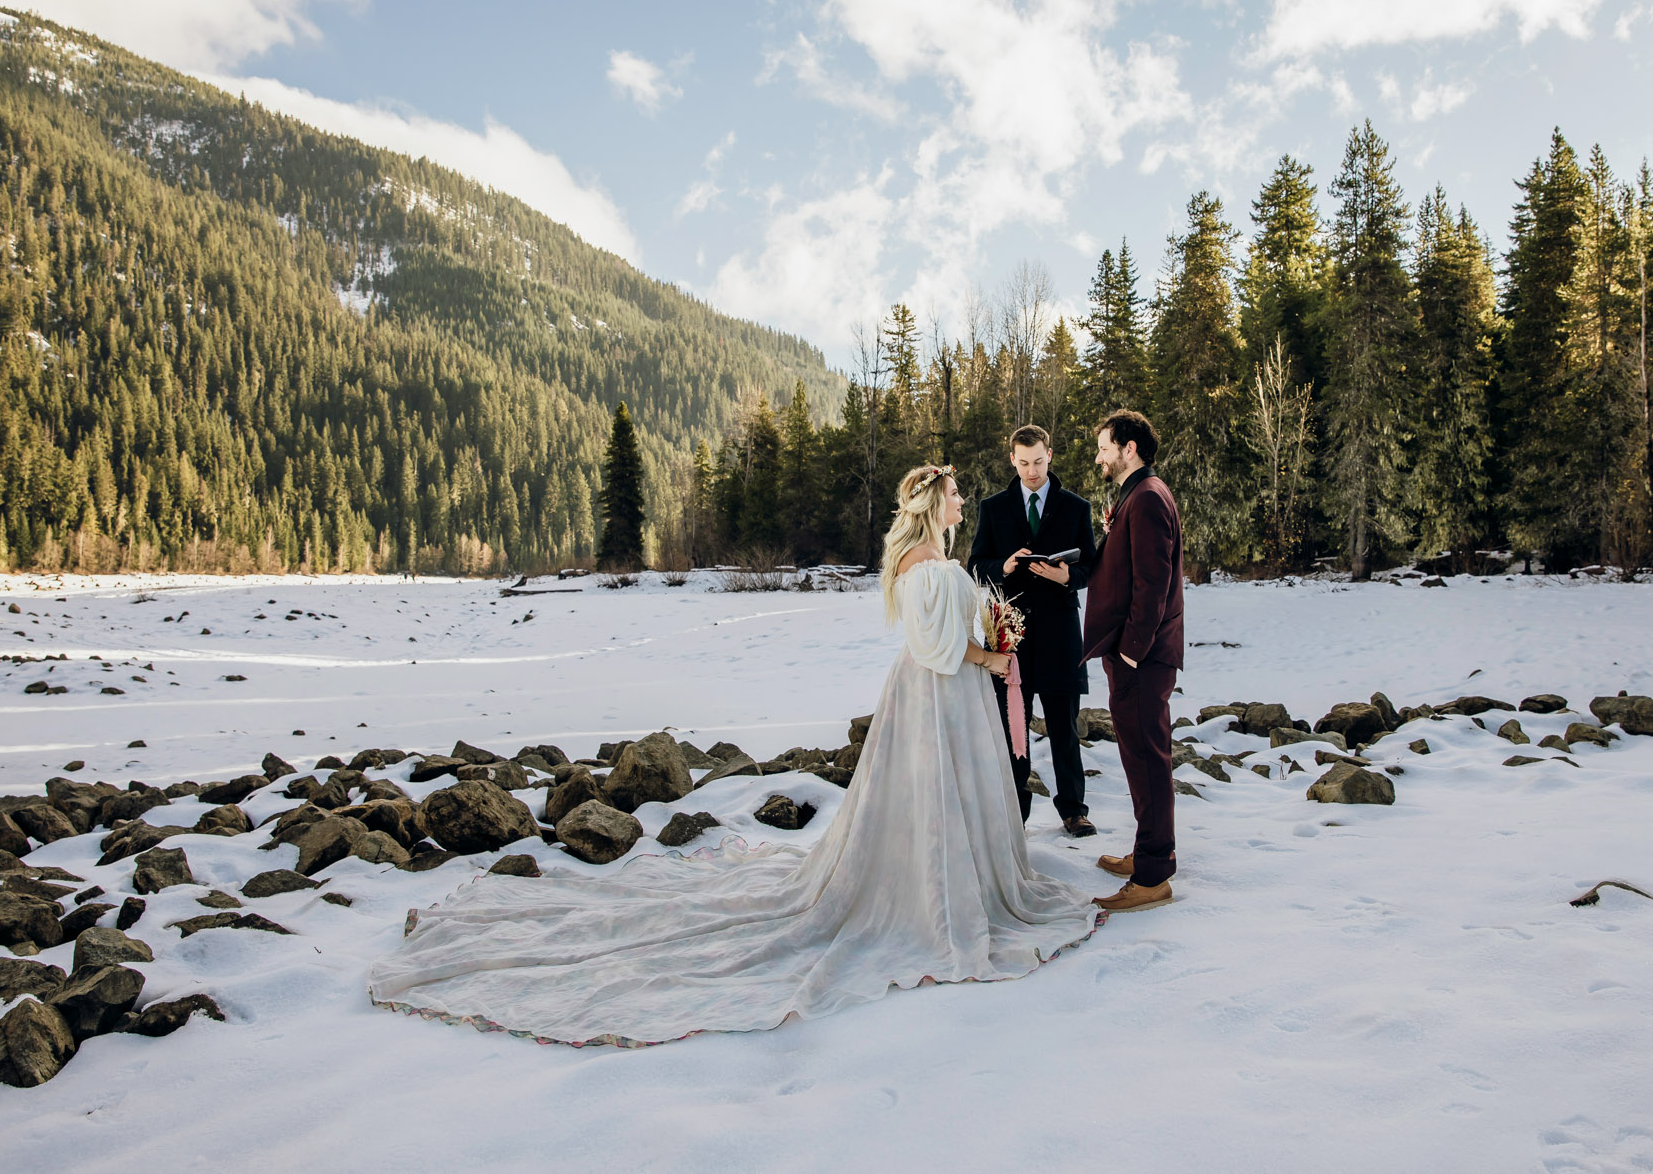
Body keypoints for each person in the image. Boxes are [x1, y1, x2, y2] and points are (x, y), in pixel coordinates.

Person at [367, 465, 1100, 1047]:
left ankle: (962, 875)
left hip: (960, 699)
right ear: (930, 501)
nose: (962, 498)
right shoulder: (916, 559)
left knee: (952, 798)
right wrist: (986, 653)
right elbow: (930, 645)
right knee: (924, 797)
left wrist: (997, 634)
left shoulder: (942, 553)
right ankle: (929, 893)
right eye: (953, 491)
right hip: (935, 695)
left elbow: (958, 621)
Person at [967, 424, 1101, 836]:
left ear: (1050, 455)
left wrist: (1066, 578)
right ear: (1012, 459)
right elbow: (975, 565)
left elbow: (1092, 568)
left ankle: (1074, 810)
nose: (1031, 471)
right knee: (1013, 730)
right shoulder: (994, 507)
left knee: (1064, 729)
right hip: (1011, 636)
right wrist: (1003, 567)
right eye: (1023, 463)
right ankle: (1013, 813)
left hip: (1061, 635)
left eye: (1038, 462)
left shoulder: (1076, 507)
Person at [1081, 410, 1185, 915]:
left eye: (1105, 446)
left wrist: (1129, 652)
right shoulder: (1138, 495)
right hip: (1134, 657)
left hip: (1140, 660)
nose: (1099, 455)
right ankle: (1149, 852)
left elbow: (1153, 582)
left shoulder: (1145, 499)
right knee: (1141, 758)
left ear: (1129, 448)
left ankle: (1152, 878)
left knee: (1147, 760)